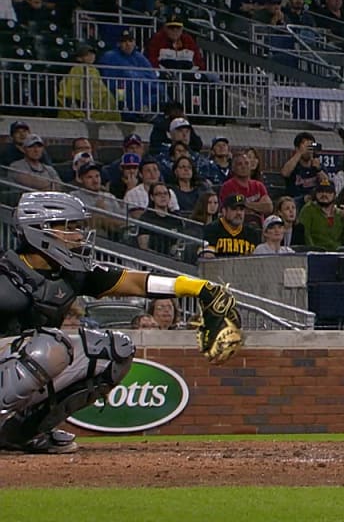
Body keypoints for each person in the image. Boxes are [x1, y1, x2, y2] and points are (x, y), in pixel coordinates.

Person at [0, 192, 237, 453]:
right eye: (70, 227)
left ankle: (22, 433)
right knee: (48, 347)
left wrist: (198, 287)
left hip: (25, 363)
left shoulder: (71, 273)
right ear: (40, 231)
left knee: (115, 351)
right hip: (16, 358)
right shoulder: (5, 273)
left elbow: (135, 282)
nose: (79, 234)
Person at [298, 180, 344, 250]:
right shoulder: (308, 210)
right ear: (315, 194)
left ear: (334, 195)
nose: (324, 194)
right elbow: (305, 235)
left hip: (337, 254)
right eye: (320, 191)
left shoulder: (341, 213)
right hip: (317, 254)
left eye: (328, 192)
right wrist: (313, 252)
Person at [200, 194, 261, 258]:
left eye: (241, 209)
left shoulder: (252, 233)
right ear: (224, 211)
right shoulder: (211, 230)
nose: (239, 213)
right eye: (234, 209)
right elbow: (207, 257)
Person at [281, 132, 328, 206]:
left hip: (314, 201)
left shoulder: (318, 165)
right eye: (306, 146)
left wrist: (318, 169)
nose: (308, 150)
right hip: (295, 202)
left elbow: (326, 183)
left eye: (310, 146)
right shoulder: (293, 165)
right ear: (297, 148)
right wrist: (300, 153)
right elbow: (285, 173)